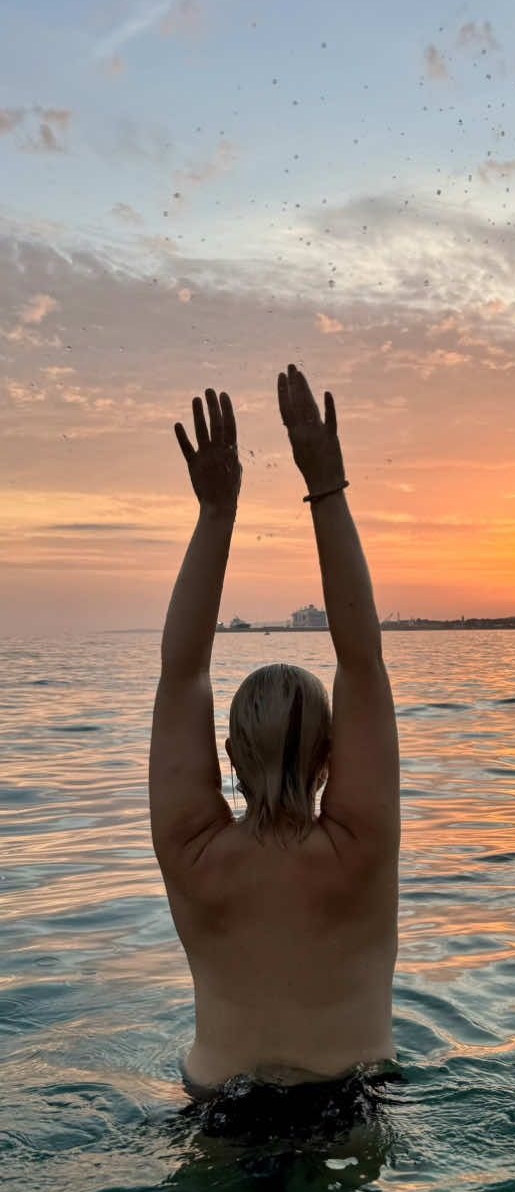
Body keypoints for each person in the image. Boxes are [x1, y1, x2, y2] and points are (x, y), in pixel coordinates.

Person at [149, 364, 401, 1121]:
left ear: (227, 757)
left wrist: (216, 512)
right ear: (332, 757)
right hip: (350, 1107)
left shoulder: (195, 852)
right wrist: (326, 486)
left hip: (218, 1114)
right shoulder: (358, 847)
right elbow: (362, 658)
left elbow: (182, 672)